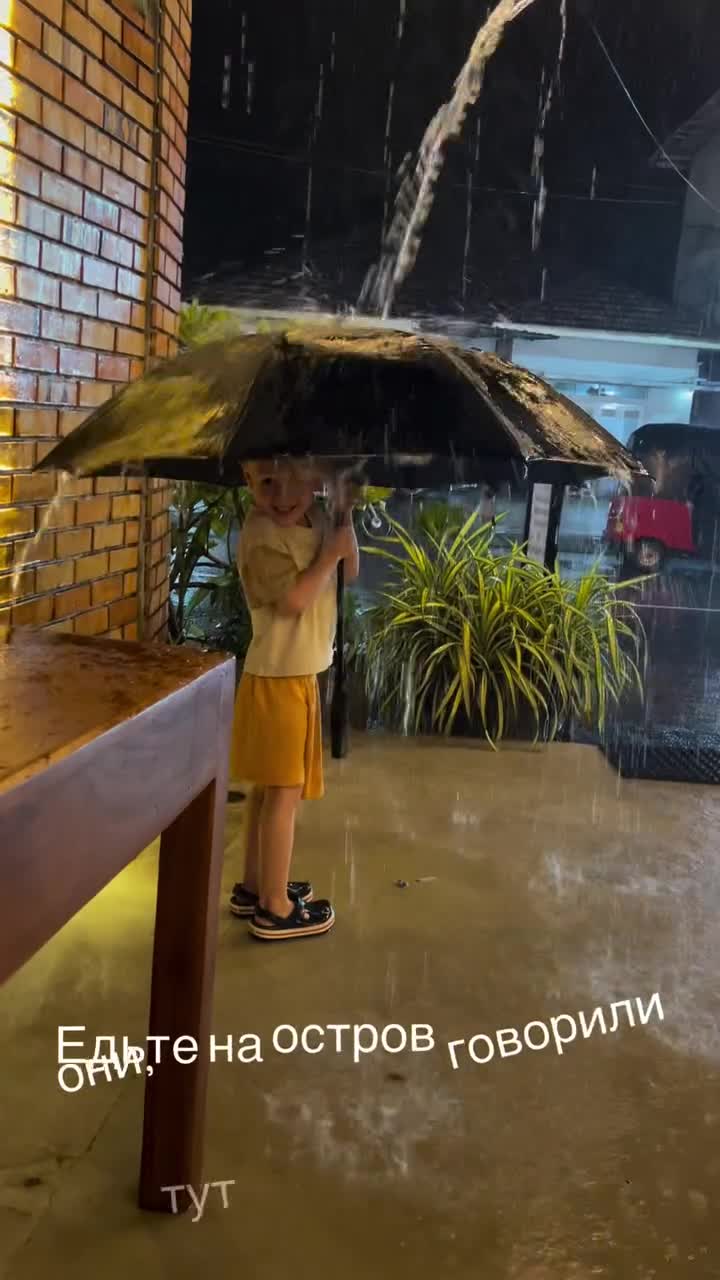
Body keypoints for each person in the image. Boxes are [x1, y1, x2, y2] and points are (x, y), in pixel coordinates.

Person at [228, 458, 359, 941]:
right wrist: (328, 556)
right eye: (267, 482)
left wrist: (344, 521)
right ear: (247, 479)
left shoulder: (316, 518)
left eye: (295, 481)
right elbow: (292, 602)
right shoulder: (261, 535)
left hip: (298, 673)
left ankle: (256, 885)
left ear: (316, 480)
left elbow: (349, 574)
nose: (282, 495)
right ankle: (275, 906)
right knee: (282, 793)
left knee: (270, 790)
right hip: (277, 678)